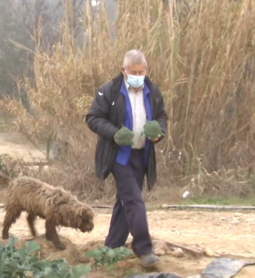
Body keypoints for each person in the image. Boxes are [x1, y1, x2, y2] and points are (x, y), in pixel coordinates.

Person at [85, 49, 168, 267]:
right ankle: (144, 248)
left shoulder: (153, 91)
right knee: (133, 199)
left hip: (142, 155)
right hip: (118, 156)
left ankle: (112, 247)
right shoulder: (108, 91)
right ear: (124, 70)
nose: (138, 76)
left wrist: (159, 131)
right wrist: (114, 133)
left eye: (141, 72)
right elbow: (93, 118)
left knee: (124, 201)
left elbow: (161, 116)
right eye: (134, 72)